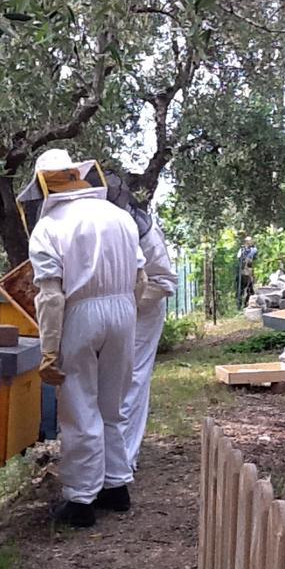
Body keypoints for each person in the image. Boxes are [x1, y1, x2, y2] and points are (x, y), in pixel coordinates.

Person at [17, 149, 146, 528]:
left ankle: (81, 500)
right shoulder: (119, 216)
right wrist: (126, 316)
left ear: (43, 184)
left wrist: (49, 350)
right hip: (124, 311)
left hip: (79, 314)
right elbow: (141, 280)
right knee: (113, 404)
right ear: (77, 175)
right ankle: (116, 486)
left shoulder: (49, 227)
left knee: (78, 408)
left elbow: (52, 296)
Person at [106, 172, 178, 471]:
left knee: (132, 381)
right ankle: (107, 459)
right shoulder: (99, 225)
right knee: (108, 383)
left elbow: (163, 281)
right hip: (113, 310)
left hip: (144, 312)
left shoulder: (144, 229)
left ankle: (125, 460)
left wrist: (126, 300)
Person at [237, 236, 258, 308]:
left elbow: (254, 258)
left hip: (249, 271)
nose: (249, 243)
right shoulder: (242, 250)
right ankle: (240, 304)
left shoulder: (254, 250)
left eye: (250, 241)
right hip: (242, 272)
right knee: (241, 289)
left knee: (250, 289)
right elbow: (239, 258)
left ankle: (247, 303)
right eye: (248, 241)